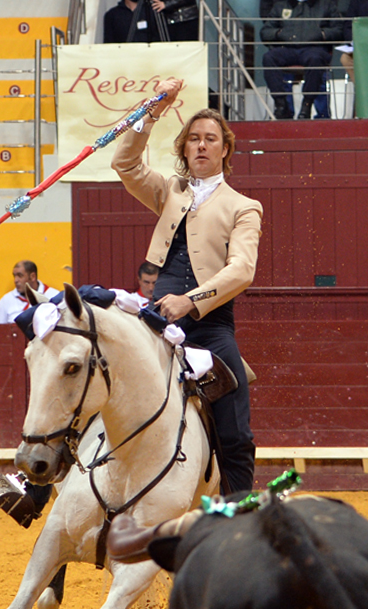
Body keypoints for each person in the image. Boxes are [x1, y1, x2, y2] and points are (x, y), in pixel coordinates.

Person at [112, 77, 263, 493]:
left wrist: (190, 301)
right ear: (183, 149)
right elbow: (125, 164)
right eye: (193, 139)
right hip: (157, 321)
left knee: (235, 430)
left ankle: (239, 508)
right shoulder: (170, 192)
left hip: (210, 328)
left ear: (224, 149)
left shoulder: (243, 207)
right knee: (97, 379)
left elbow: (242, 270)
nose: (201, 146)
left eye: (210, 139)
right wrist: (153, 112)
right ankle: (40, 482)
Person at [261, 0, 344, 120]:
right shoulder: (281, 5)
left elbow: (339, 31)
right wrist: (280, 33)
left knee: (315, 59)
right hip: (287, 48)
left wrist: (321, 34)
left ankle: (307, 105)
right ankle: (281, 104)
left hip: (314, 48)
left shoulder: (327, 4)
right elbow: (265, 31)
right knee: (269, 57)